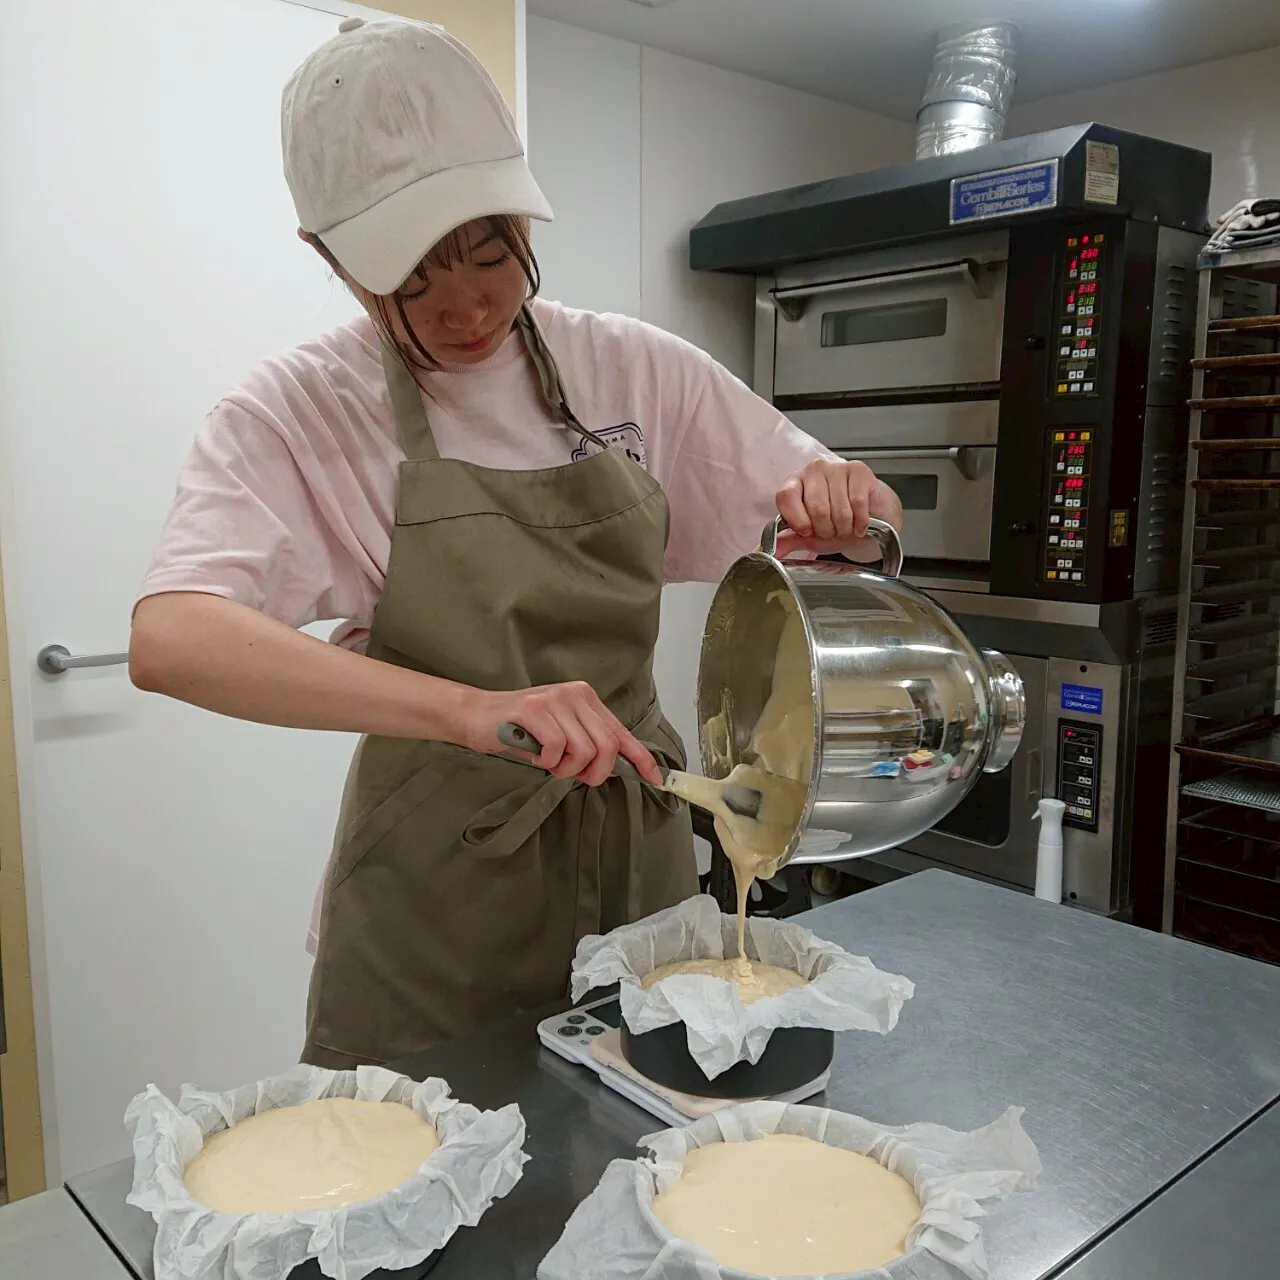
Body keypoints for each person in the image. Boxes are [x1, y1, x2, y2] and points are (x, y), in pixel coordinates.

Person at [129, 17, 902, 1069]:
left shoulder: (630, 368)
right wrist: (468, 710)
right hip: (434, 888)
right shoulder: (298, 411)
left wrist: (848, 507)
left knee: (643, 1134)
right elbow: (173, 638)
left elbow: (848, 537)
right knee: (421, 1153)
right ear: (329, 258)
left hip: (636, 849)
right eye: (411, 281)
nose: (465, 308)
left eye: (491, 255)